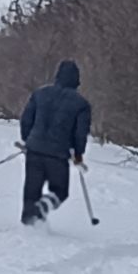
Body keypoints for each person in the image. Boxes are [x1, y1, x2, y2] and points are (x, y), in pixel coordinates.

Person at [18, 60, 92, 226]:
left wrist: (27, 140)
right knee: (60, 191)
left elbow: (26, 120)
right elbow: (80, 133)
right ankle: (44, 207)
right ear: (77, 80)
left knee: (31, 190)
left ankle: (28, 223)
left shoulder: (39, 94)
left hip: (34, 150)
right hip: (58, 155)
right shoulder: (81, 104)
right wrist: (78, 154)